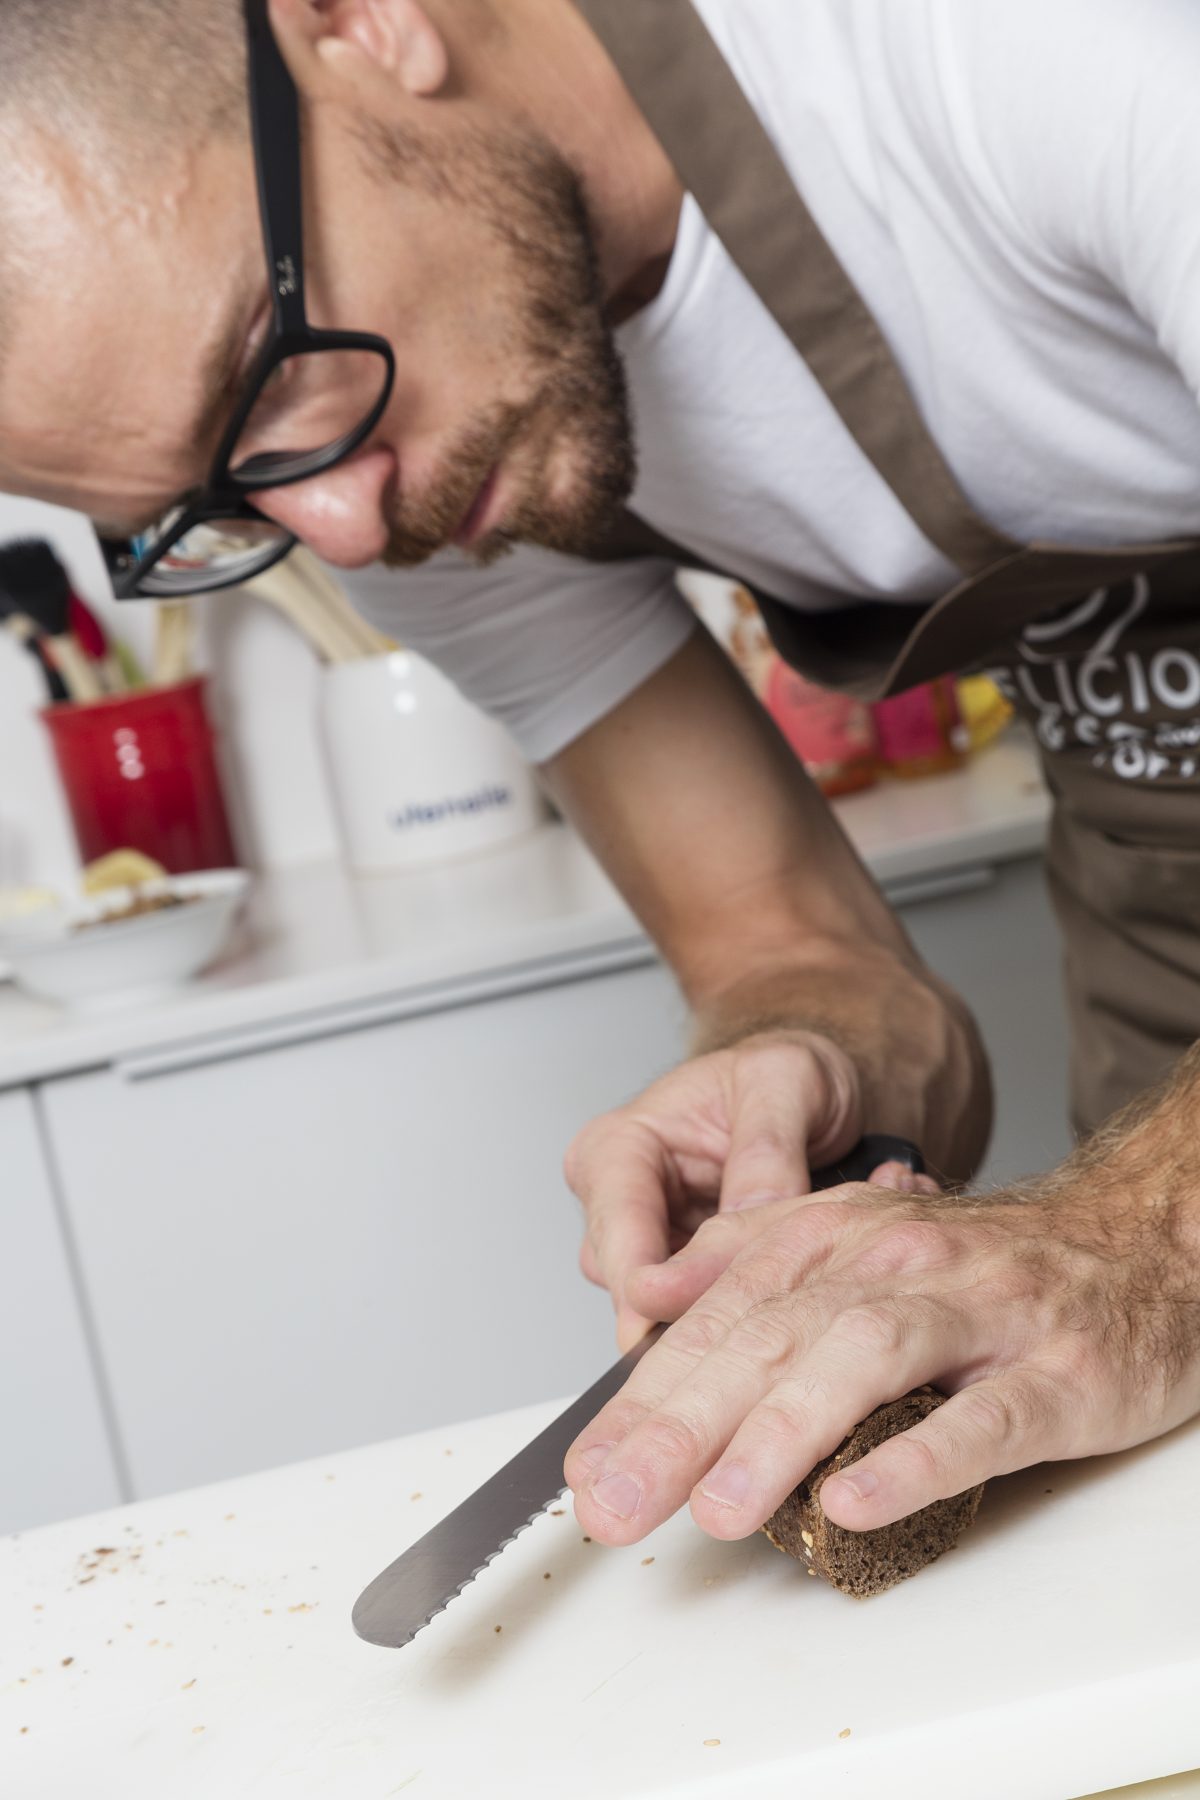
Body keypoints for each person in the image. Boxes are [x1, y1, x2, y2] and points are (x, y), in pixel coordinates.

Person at [2, 0, 1199, 1553]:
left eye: (261, 368)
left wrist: (1144, 1242)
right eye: (213, 498)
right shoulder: (391, 459)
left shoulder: (1026, 53)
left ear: (360, 24)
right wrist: (796, 1064)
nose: (352, 535)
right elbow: (785, 941)